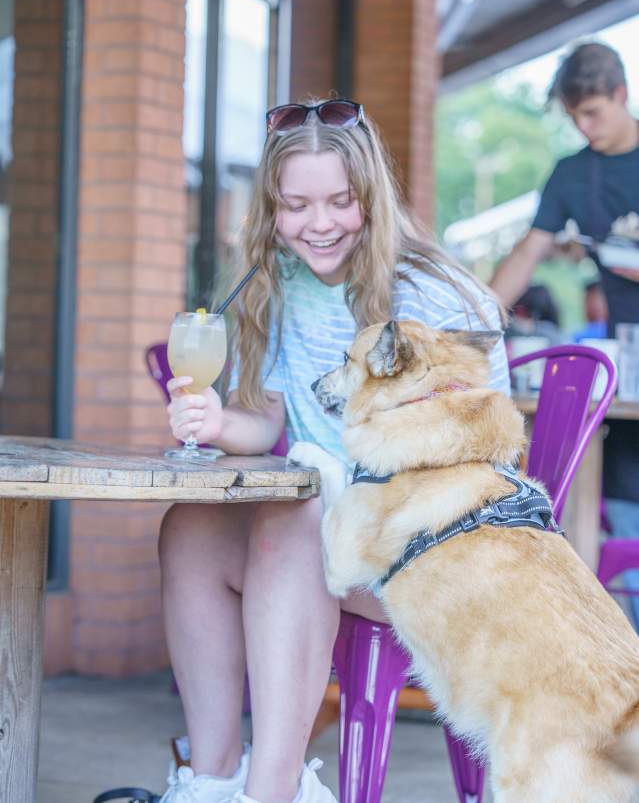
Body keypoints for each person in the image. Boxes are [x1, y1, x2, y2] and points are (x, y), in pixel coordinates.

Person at [158, 99, 510, 803]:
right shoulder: (277, 286)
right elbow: (267, 418)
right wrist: (217, 420)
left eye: (339, 201)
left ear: (370, 198)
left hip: (439, 554)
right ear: (270, 209)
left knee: (293, 523)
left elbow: (479, 456)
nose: (318, 224)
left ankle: (271, 791)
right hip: (338, 535)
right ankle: (210, 778)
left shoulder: (436, 298)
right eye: (294, 205)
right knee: (190, 527)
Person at [490, 41, 639, 625]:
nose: (584, 126)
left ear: (623, 95)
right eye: (574, 116)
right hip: (626, 359)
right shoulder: (572, 174)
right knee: (623, 504)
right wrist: (475, 319)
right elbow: (529, 250)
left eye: (594, 113)